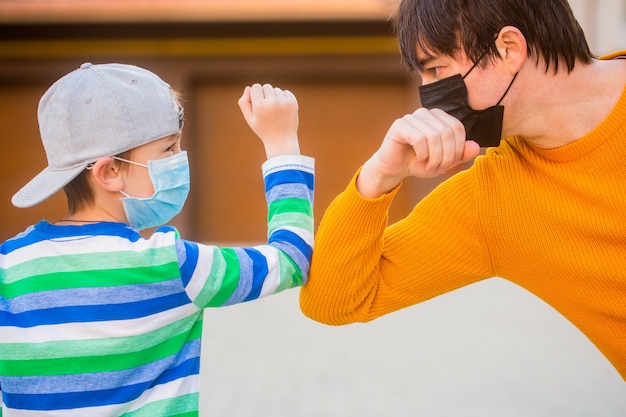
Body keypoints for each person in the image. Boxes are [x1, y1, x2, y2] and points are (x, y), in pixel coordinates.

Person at [300, 0, 626, 380]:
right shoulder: (491, 200)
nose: (428, 99)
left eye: (436, 69)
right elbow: (331, 298)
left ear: (508, 49)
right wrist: (377, 179)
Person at [0, 63, 314, 416]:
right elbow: (291, 259)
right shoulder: (169, 266)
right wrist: (282, 142)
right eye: (168, 149)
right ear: (110, 172)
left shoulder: (8, 265)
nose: (180, 159)